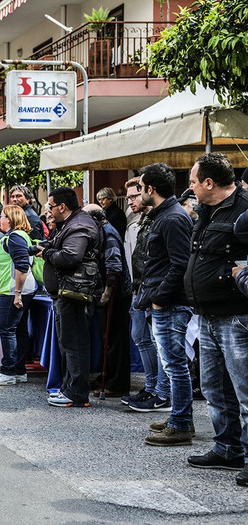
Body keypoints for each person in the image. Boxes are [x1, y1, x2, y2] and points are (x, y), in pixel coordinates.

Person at [185, 153, 248, 482]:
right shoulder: (206, 211)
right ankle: (228, 449)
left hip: (236, 315)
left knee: (244, 390)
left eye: (194, 181)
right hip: (207, 314)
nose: (191, 187)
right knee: (213, 386)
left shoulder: (245, 208)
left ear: (210, 183)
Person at [134, 163, 194, 446]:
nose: (138, 192)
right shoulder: (165, 215)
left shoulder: (171, 218)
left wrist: (159, 299)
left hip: (170, 304)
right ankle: (180, 419)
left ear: (151, 189)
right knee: (173, 364)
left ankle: (181, 423)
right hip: (165, 302)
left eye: (140, 187)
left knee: (174, 365)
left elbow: (180, 265)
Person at [36, 187, 100, 408]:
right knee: (69, 342)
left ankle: (77, 392)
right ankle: (70, 388)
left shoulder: (79, 224)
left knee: (74, 343)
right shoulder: (73, 223)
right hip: (67, 292)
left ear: (62, 207)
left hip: (74, 293)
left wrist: (46, 253)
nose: (49, 211)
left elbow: (71, 256)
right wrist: (47, 247)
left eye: (51, 206)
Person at [120, 177, 170, 411]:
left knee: (158, 343)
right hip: (138, 290)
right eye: (128, 196)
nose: (130, 200)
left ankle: (161, 391)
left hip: (153, 291)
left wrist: (156, 294)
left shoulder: (160, 220)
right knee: (140, 338)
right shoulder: (135, 222)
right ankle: (151, 387)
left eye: (134, 195)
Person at [84, 204, 132, 397]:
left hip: (116, 294)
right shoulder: (103, 231)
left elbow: (114, 266)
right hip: (112, 291)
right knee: (108, 337)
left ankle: (117, 383)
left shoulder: (108, 234)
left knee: (115, 338)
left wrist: (106, 292)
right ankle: (110, 374)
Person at [0, 205, 37, 386]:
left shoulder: (15, 237)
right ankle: (18, 369)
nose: (0, 219)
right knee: (19, 330)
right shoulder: (17, 236)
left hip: (13, 290)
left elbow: (22, 266)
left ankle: (8, 372)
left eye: (2, 216)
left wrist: (17, 294)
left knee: (7, 330)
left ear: (10, 219)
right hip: (17, 289)